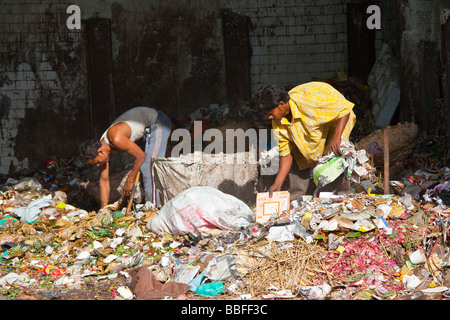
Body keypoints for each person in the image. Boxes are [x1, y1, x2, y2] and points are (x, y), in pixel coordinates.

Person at [253, 82, 356, 198]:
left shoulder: (310, 103)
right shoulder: (278, 123)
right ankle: (301, 197)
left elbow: (344, 109)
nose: (269, 117)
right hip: (311, 131)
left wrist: (337, 137)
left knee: (334, 160)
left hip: (336, 123)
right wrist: (277, 183)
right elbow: (286, 155)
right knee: (300, 156)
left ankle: (339, 194)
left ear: (281, 104)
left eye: (271, 113)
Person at [79, 106, 172, 208]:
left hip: (158, 123)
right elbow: (104, 180)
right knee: (144, 166)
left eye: (97, 162)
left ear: (100, 152)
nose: (98, 165)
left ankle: (155, 208)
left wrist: (130, 180)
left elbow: (141, 156)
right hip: (147, 128)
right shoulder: (102, 147)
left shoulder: (116, 139)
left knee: (149, 166)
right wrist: (103, 208)